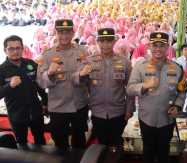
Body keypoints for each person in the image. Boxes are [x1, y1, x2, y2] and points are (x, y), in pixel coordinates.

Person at [127, 32, 186, 163]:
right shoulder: (140, 67)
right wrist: (145, 85)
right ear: (149, 46)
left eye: (162, 45)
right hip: (146, 119)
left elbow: (182, 92)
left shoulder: (177, 69)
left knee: (164, 152)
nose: (158, 49)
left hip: (167, 120)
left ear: (168, 47)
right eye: (155, 45)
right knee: (147, 152)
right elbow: (130, 89)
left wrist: (177, 106)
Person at [36, 19, 90, 151]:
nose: (64, 36)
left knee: (79, 140)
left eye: (67, 32)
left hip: (79, 105)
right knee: (60, 143)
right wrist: (49, 73)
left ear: (73, 33)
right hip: (58, 107)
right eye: (61, 32)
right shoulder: (48, 54)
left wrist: (82, 75)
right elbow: (41, 82)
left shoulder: (82, 52)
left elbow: (87, 75)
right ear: (56, 33)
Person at [88, 28, 134, 150]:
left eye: (108, 41)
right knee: (101, 147)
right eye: (102, 41)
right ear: (98, 42)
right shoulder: (89, 62)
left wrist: (129, 110)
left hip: (118, 113)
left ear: (114, 42)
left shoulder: (124, 62)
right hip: (98, 112)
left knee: (118, 147)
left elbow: (130, 88)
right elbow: (83, 87)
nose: (105, 45)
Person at [0, 35, 47, 148]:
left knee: (40, 140)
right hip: (17, 114)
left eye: (18, 48)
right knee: (22, 144)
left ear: (22, 48)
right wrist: (9, 86)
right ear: (5, 50)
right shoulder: (1, 70)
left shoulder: (31, 64)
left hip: (35, 111)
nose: (15, 51)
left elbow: (39, 85)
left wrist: (46, 101)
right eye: (11, 49)